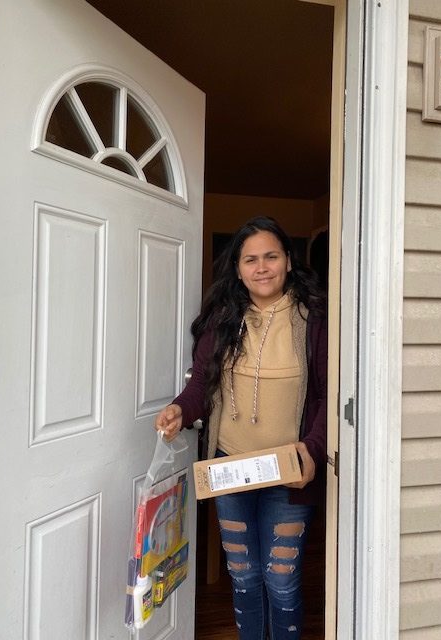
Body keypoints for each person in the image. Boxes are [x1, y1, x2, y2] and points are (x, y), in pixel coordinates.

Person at [155, 216, 327, 640]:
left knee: (282, 580)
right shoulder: (223, 318)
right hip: (229, 468)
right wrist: (180, 409)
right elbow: (202, 383)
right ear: (237, 268)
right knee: (245, 577)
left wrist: (313, 448)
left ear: (288, 261)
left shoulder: (314, 319)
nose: (262, 267)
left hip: (288, 474)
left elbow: (328, 394)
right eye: (251, 259)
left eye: (271, 256)